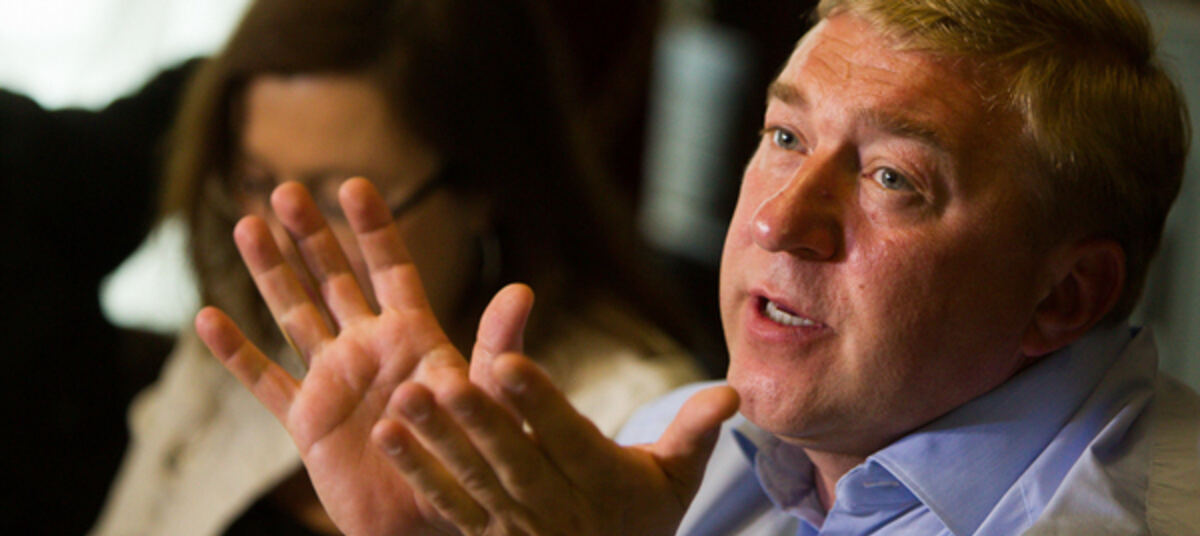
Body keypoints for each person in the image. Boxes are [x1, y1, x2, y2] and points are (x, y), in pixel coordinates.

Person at [197, 0, 1200, 534]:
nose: (778, 218)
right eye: (785, 136)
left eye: (893, 177)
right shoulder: (676, 440)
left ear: (1064, 295)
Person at [89, 0, 705, 534]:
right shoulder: (249, 340)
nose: (282, 241)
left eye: (339, 203)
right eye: (255, 180)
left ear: (482, 186)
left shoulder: (631, 428)